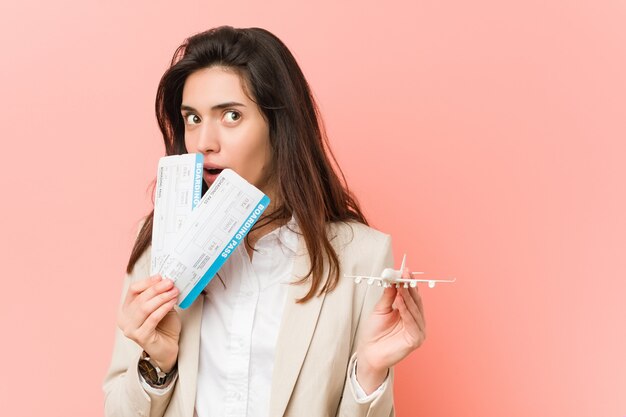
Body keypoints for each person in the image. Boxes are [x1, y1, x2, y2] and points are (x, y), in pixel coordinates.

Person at [103, 26, 426, 417]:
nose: (205, 141)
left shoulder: (362, 255)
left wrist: (371, 373)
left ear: (279, 125)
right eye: (192, 118)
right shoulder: (158, 244)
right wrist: (157, 364)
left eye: (231, 116)